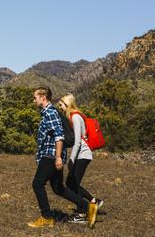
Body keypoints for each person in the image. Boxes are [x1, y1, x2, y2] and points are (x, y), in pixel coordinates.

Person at [27, 86, 98, 228]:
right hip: (53, 155)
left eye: (35, 97)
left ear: (43, 97)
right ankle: (88, 206)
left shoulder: (50, 113)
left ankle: (47, 217)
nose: (34, 100)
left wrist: (58, 157)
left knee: (37, 184)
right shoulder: (47, 113)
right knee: (58, 188)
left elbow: (59, 136)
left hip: (51, 155)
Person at [58, 93, 103, 226]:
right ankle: (93, 201)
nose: (60, 107)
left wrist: (71, 159)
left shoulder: (76, 117)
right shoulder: (73, 117)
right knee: (72, 183)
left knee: (72, 183)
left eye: (61, 104)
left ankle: (83, 212)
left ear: (67, 104)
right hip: (81, 154)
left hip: (83, 154)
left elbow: (78, 141)